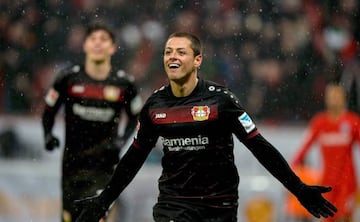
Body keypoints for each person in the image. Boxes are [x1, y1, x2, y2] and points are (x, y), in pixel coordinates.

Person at [75, 32, 337, 222]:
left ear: (197, 60)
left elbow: (259, 146)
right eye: (168, 52)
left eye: (181, 52)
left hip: (218, 206)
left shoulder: (221, 100)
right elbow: (134, 157)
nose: (172, 57)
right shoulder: (155, 105)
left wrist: (298, 188)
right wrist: (105, 199)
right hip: (173, 204)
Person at [41, 20, 142, 222]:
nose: (97, 43)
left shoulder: (124, 84)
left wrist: (122, 140)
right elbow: (48, 111)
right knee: (70, 218)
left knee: (97, 217)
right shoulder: (68, 79)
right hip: (73, 164)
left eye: (103, 39)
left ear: (112, 48)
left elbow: (135, 117)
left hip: (104, 165)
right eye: (93, 39)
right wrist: (48, 135)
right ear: (85, 45)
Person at [291, 83, 360, 222]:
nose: (334, 99)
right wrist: (290, 170)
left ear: (343, 98)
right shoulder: (320, 122)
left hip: (347, 183)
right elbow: (304, 147)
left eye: (337, 95)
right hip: (327, 182)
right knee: (327, 217)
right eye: (331, 96)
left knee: (344, 217)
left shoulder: (352, 121)